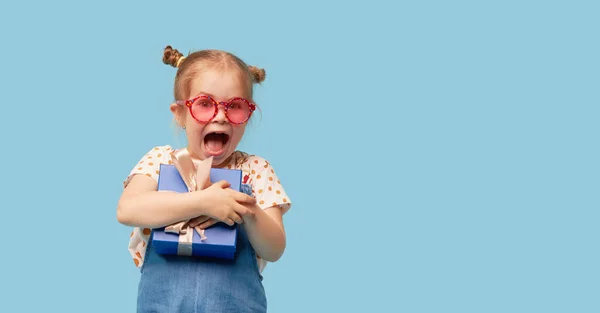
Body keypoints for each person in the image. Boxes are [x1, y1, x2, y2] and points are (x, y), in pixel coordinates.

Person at [117, 45, 292, 312]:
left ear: (248, 116)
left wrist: (249, 210)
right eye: (205, 104)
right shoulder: (160, 160)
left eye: (234, 106)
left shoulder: (256, 169)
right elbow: (127, 209)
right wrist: (201, 202)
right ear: (180, 113)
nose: (220, 116)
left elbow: (274, 249)